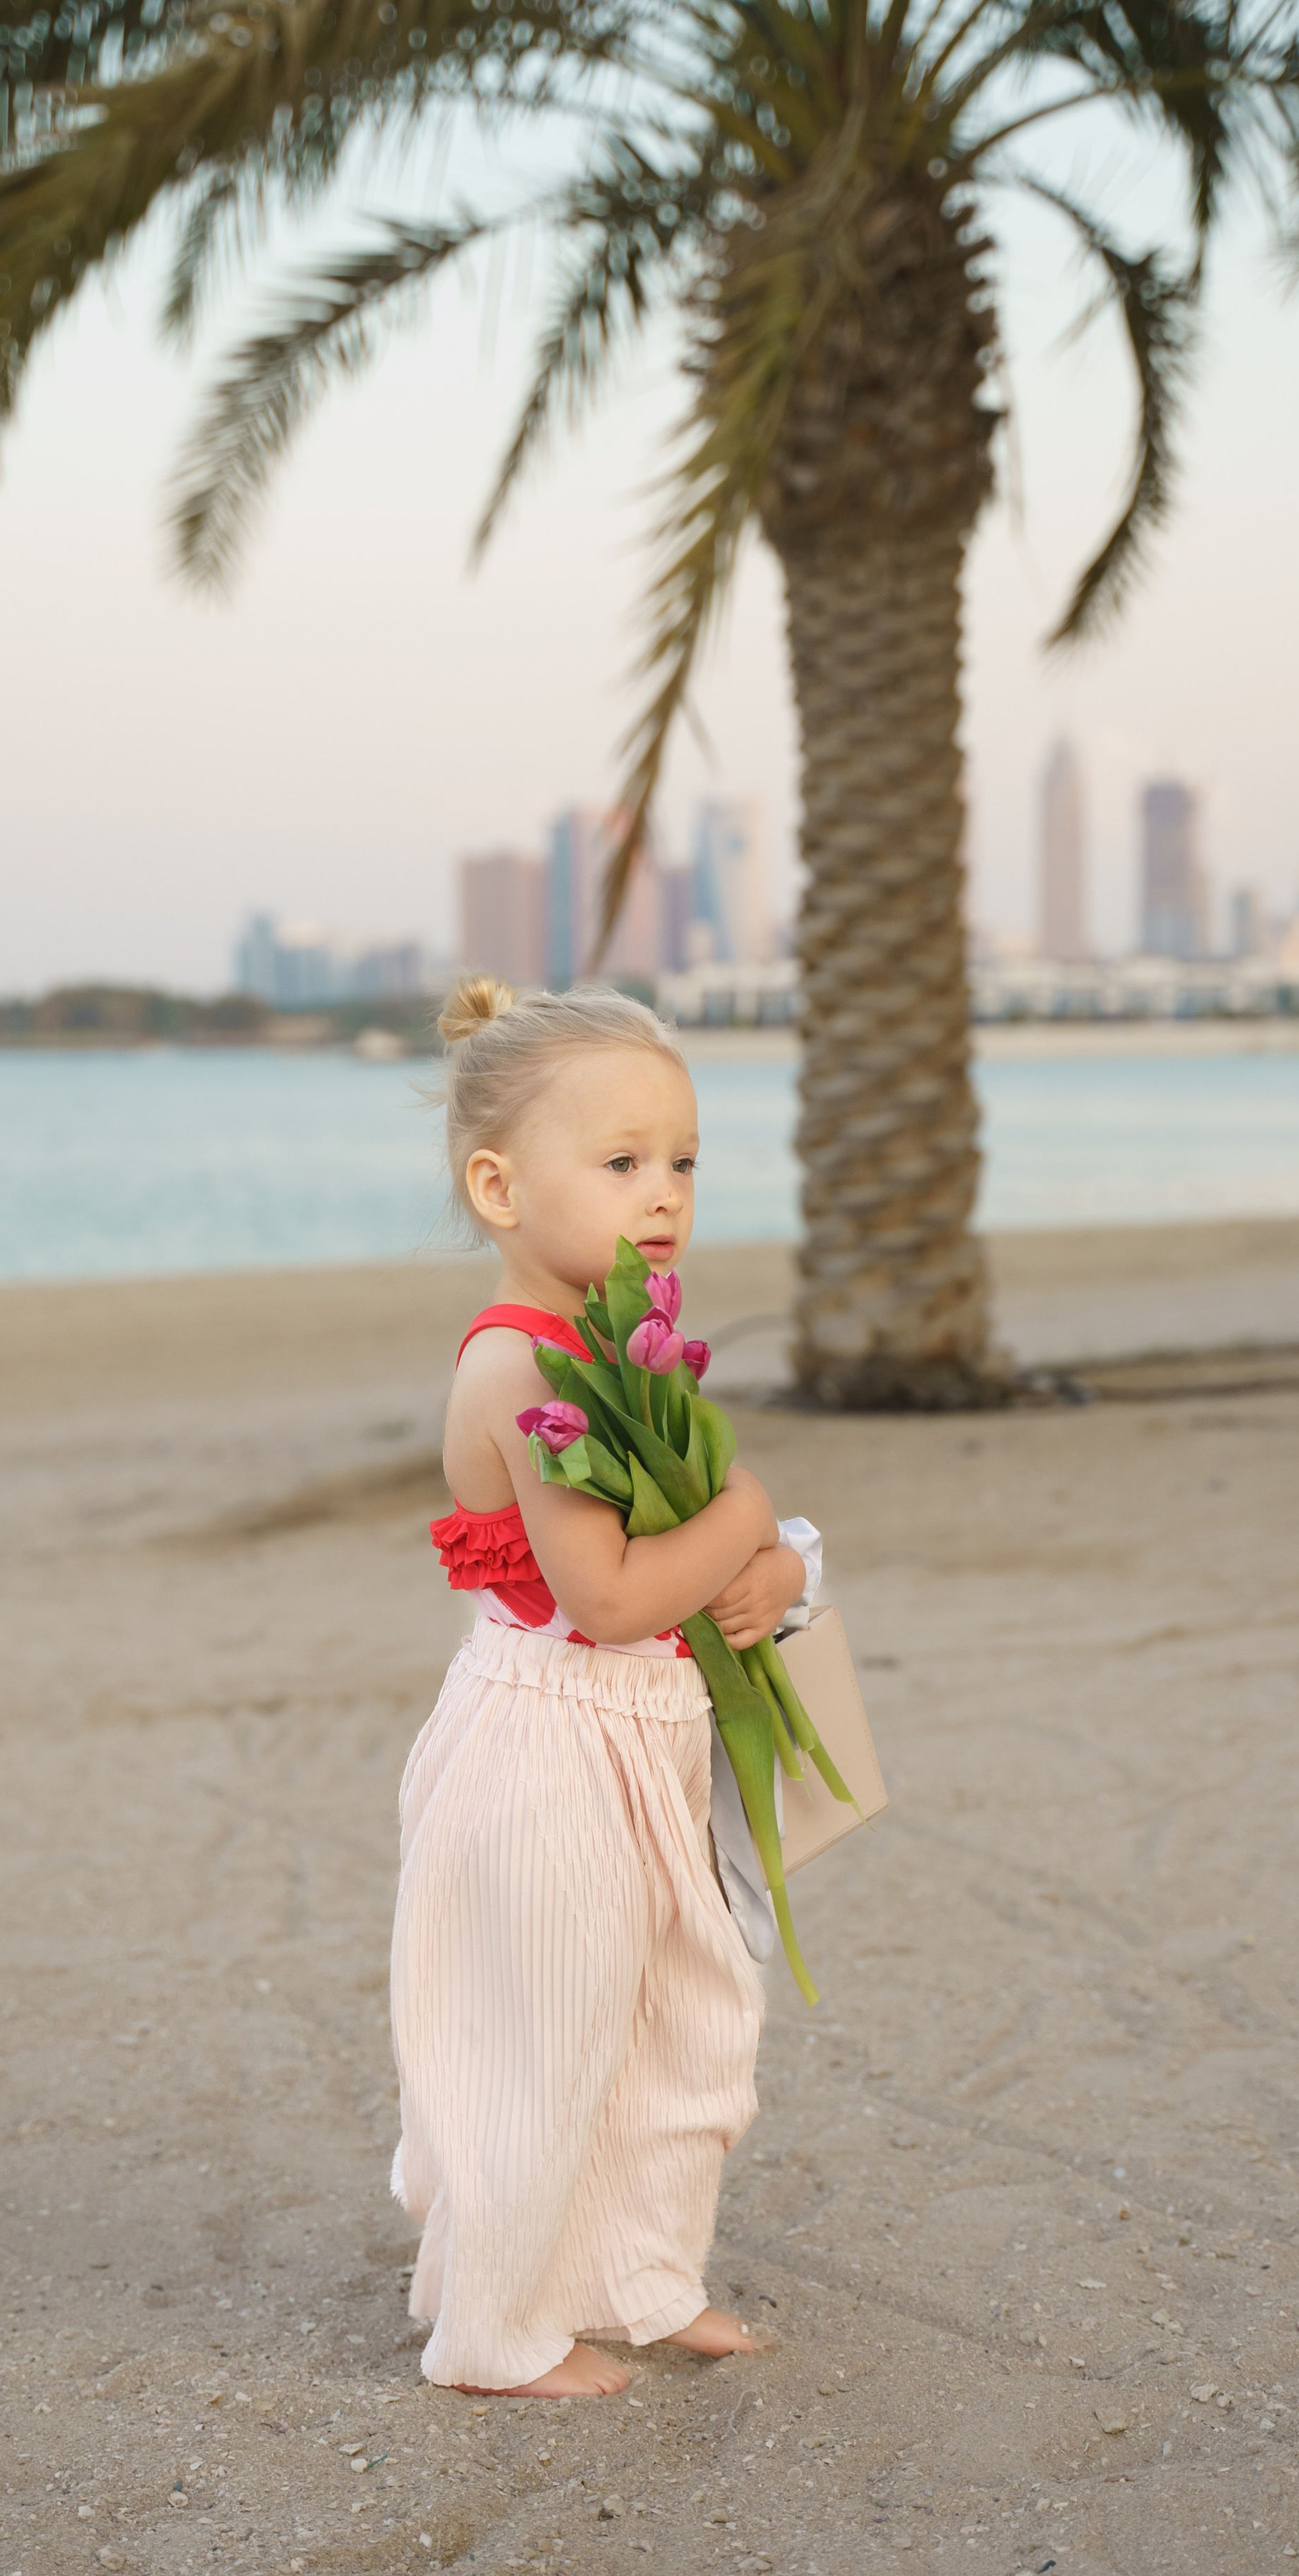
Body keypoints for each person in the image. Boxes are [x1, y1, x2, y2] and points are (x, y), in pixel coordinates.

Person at [390, 978, 822, 2399]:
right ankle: (495, 2331)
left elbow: (699, 1565)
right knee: (548, 2039)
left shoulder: (624, 1345)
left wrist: (772, 1574)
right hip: (546, 1746)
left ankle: (641, 2275)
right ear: (497, 1185)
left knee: (686, 2022)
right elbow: (617, 1594)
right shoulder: (523, 1364)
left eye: (683, 1161)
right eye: (622, 1161)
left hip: (646, 1737)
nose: (664, 1194)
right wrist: (748, 1504)